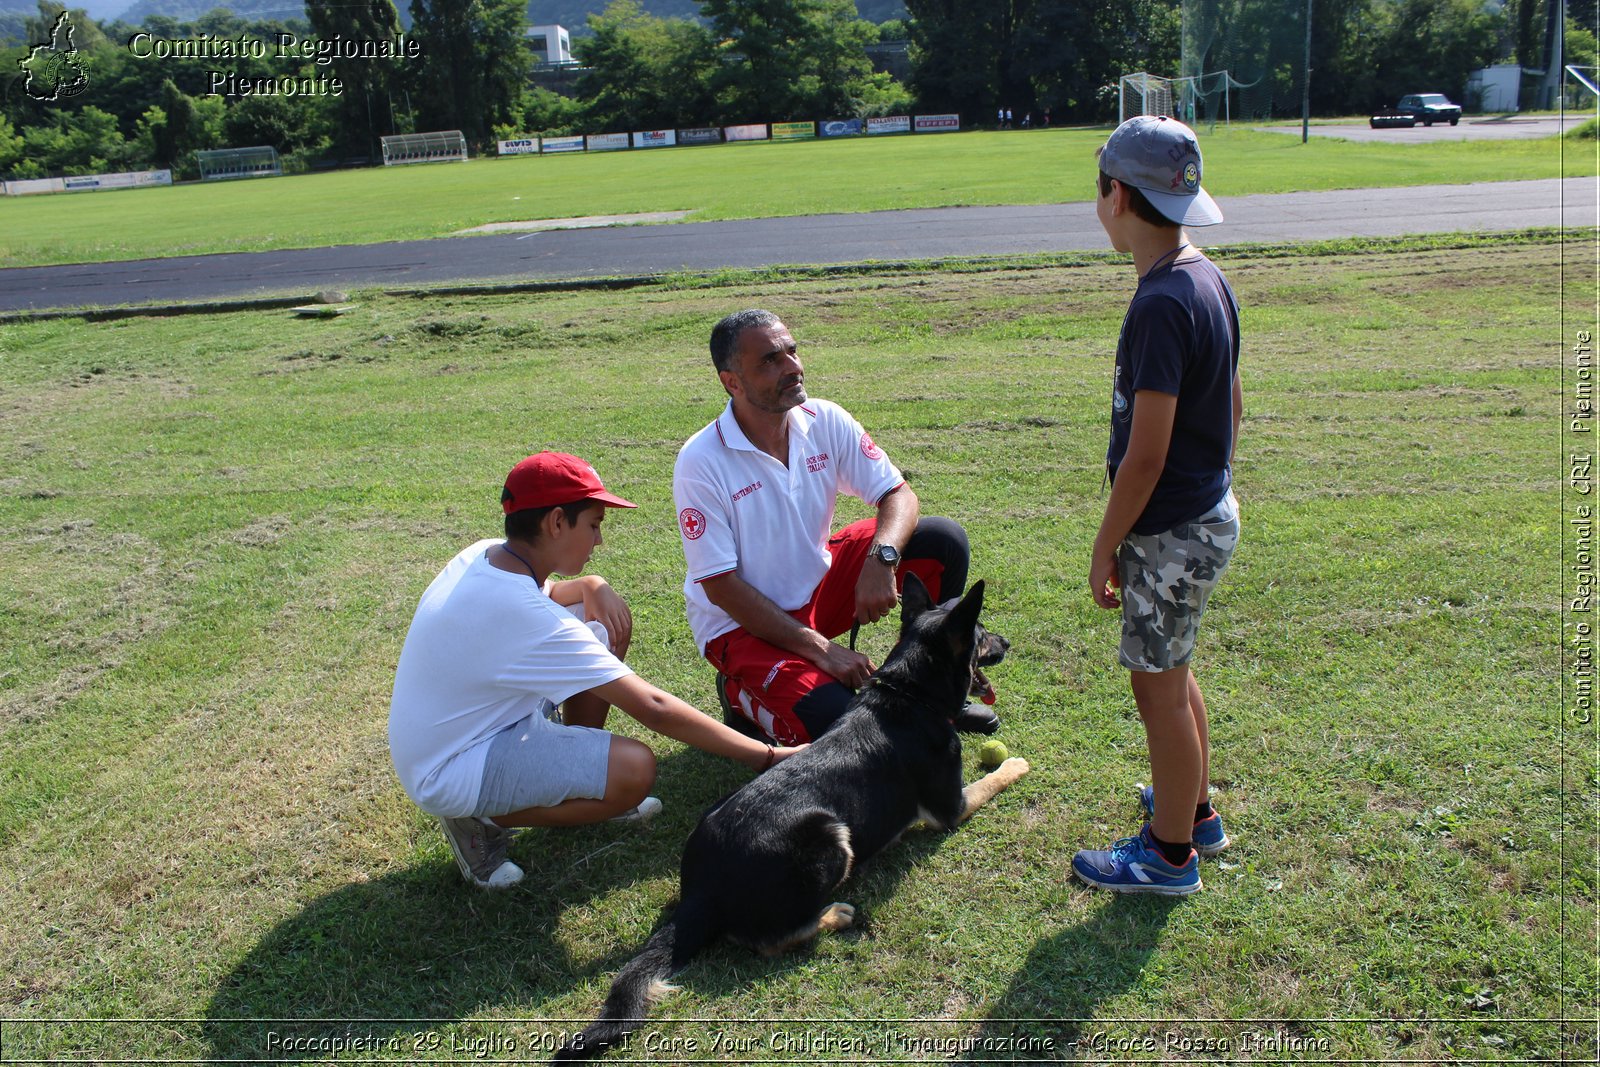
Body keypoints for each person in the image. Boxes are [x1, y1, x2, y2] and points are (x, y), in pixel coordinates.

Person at [389, 451, 804, 889]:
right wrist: (767, 756)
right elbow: (654, 708)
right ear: (555, 522)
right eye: (594, 524)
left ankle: (578, 785)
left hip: (463, 728)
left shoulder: (486, 554)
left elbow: (546, 595)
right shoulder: (524, 616)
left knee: (602, 626)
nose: (599, 541)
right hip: (449, 766)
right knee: (634, 773)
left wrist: (592, 584)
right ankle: (477, 819)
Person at [673, 309, 997, 747]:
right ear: (732, 381)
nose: (792, 367)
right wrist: (823, 650)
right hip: (739, 624)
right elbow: (721, 586)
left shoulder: (823, 418)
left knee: (941, 541)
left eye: (791, 351)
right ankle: (739, 694)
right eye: (770, 360)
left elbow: (899, 496)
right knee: (842, 729)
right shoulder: (700, 461)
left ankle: (932, 687)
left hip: (817, 591)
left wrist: (881, 561)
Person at [1069, 116, 1242, 896]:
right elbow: (1234, 402)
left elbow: (1145, 453)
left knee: (1157, 689)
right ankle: (1194, 809)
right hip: (1203, 513)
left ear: (1115, 194)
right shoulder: (1204, 276)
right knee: (1174, 673)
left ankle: (1169, 854)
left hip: (1169, 528)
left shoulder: (1160, 303)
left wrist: (1108, 542)